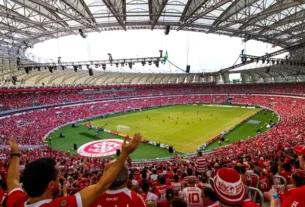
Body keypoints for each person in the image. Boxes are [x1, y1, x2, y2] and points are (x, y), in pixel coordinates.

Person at [7, 134, 142, 207]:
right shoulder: (60, 205)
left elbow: (13, 180)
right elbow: (102, 185)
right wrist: (124, 154)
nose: (60, 178)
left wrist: (16, 154)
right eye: (57, 176)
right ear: (50, 185)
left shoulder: (16, 201)